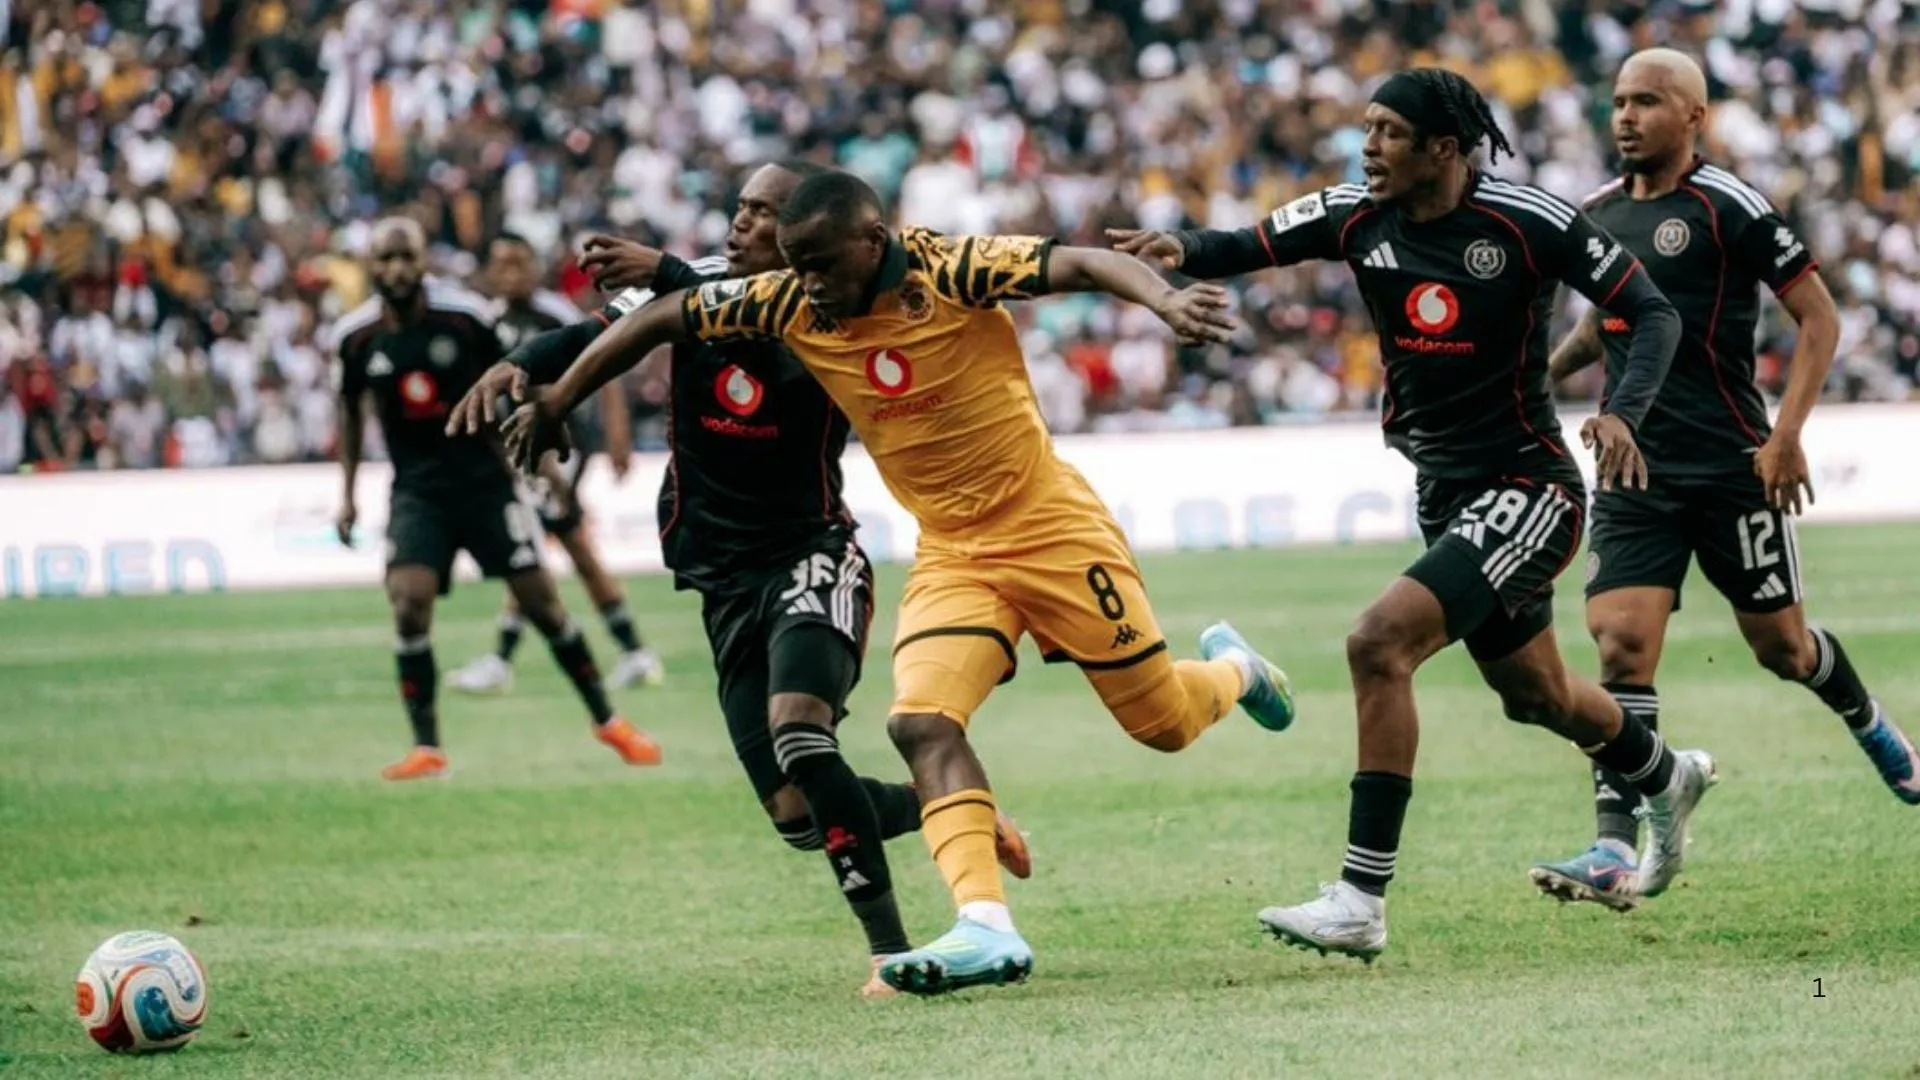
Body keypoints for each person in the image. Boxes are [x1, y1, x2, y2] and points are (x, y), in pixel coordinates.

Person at [466, 168, 1296, 997]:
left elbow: (1077, 263)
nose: (807, 285)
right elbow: (662, 318)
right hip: (953, 550)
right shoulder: (787, 300)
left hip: (1049, 527)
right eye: (793, 263)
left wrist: (1163, 299)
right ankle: (985, 924)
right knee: (921, 724)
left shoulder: (951, 269)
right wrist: (555, 399)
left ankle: (1236, 670)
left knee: (1163, 724)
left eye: (821, 264)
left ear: (874, 243)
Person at [1110, 67, 1712, 961]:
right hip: (1444, 492)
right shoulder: (1357, 212)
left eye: (1389, 131)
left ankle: (1360, 897)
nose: (1368, 145)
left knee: (1376, 644)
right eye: (1367, 127)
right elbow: (1247, 243)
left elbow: (1651, 312)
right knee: (1535, 696)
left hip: (1530, 486)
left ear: (1443, 148)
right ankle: (1667, 774)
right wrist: (1179, 252)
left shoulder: (1529, 222)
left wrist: (1623, 410)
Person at [465, 162, 1032, 997]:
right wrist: (521, 366)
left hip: (812, 556)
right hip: (723, 579)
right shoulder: (692, 282)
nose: (739, 226)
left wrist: (665, 274)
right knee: (798, 815)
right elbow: (602, 329)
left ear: (807, 236)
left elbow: (760, 335)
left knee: (803, 735)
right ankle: (948, 806)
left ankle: (889, 952)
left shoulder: (837, 309)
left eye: (762, 215)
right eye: (738, 209)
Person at [1529, 49, 1920, 911]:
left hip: (1735, 468)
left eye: (1648, 102)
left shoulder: (1730, 207)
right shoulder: (1593, 216)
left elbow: (1819, 317)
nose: (1626, 117)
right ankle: (1612, 847)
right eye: (1619, 102)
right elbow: (1606, 326)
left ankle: (1870, 723)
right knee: (1620, 646)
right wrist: (1538, 380)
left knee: (1783, 650)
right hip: (1636, 469)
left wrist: (1786, 435)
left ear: (1694, 116)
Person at [332, 216, 662, 781]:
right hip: (417, 491)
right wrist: (347, 495)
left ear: (423, 262)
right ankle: (427, 747)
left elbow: (521, 378)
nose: (397, 270)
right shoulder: (356, 337)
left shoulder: (465, 319)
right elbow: (350, 414)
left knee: (543, 604)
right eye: (385, 260)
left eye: (406, 257)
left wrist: (545, 441)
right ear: (371, 267)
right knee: (409, 601)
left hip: (487, 483)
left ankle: (609, 722)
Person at [447, 232, 665, 696]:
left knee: (552, 545)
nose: (511, 274)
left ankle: (509, 660)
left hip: (556, 450)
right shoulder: (487, 322)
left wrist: (617, 434)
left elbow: (605, 366)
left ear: (535, 267)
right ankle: (631, 651)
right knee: (553, 548)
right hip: (515, 454)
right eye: (502, 265)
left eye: (520, 263)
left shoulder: (556, 315)